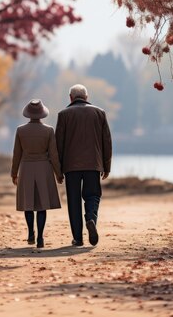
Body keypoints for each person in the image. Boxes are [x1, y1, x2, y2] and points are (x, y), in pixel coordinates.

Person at [55, 84, 112, 247]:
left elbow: (58, 144)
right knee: (93, 195)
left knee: (73, 201)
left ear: (70, 98)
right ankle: (91, 219)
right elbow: (106, 142)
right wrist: (106, 166)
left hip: (70, 166)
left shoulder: (63, 114)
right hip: (93, 164)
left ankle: (78, 238)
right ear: (86, 98)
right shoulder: (99, 113)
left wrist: (58, 170)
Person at [11, 99, 63, 248]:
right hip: (43, 169)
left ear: (28, 114)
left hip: (26, 168)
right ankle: (40, 237)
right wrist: (58, 173)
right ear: (42, 114)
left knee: (28, 204)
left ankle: (30, 233)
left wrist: (14, 173)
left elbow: (17, 154)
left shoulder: (21, 130)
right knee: (42, 205)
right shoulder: (48, 130)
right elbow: (53, 155)